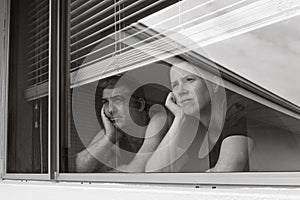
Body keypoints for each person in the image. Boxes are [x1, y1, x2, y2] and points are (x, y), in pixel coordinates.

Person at [145, 57, 254, 172]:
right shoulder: (192, 125)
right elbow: (154, 172)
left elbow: (228, 169)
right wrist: (179, 119)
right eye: (175, 85)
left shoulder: (237, 110)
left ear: (214, 84)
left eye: (189, 80)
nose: (181, 91)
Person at [76, 74, 168, 172]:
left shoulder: (158, 118)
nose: (110, 109)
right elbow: (80, 168)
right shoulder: (114, 130)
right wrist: (109, 137)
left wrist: (111, 172)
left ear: (140, 105)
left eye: (118, 100)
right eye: (106, 102)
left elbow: (135, 172)